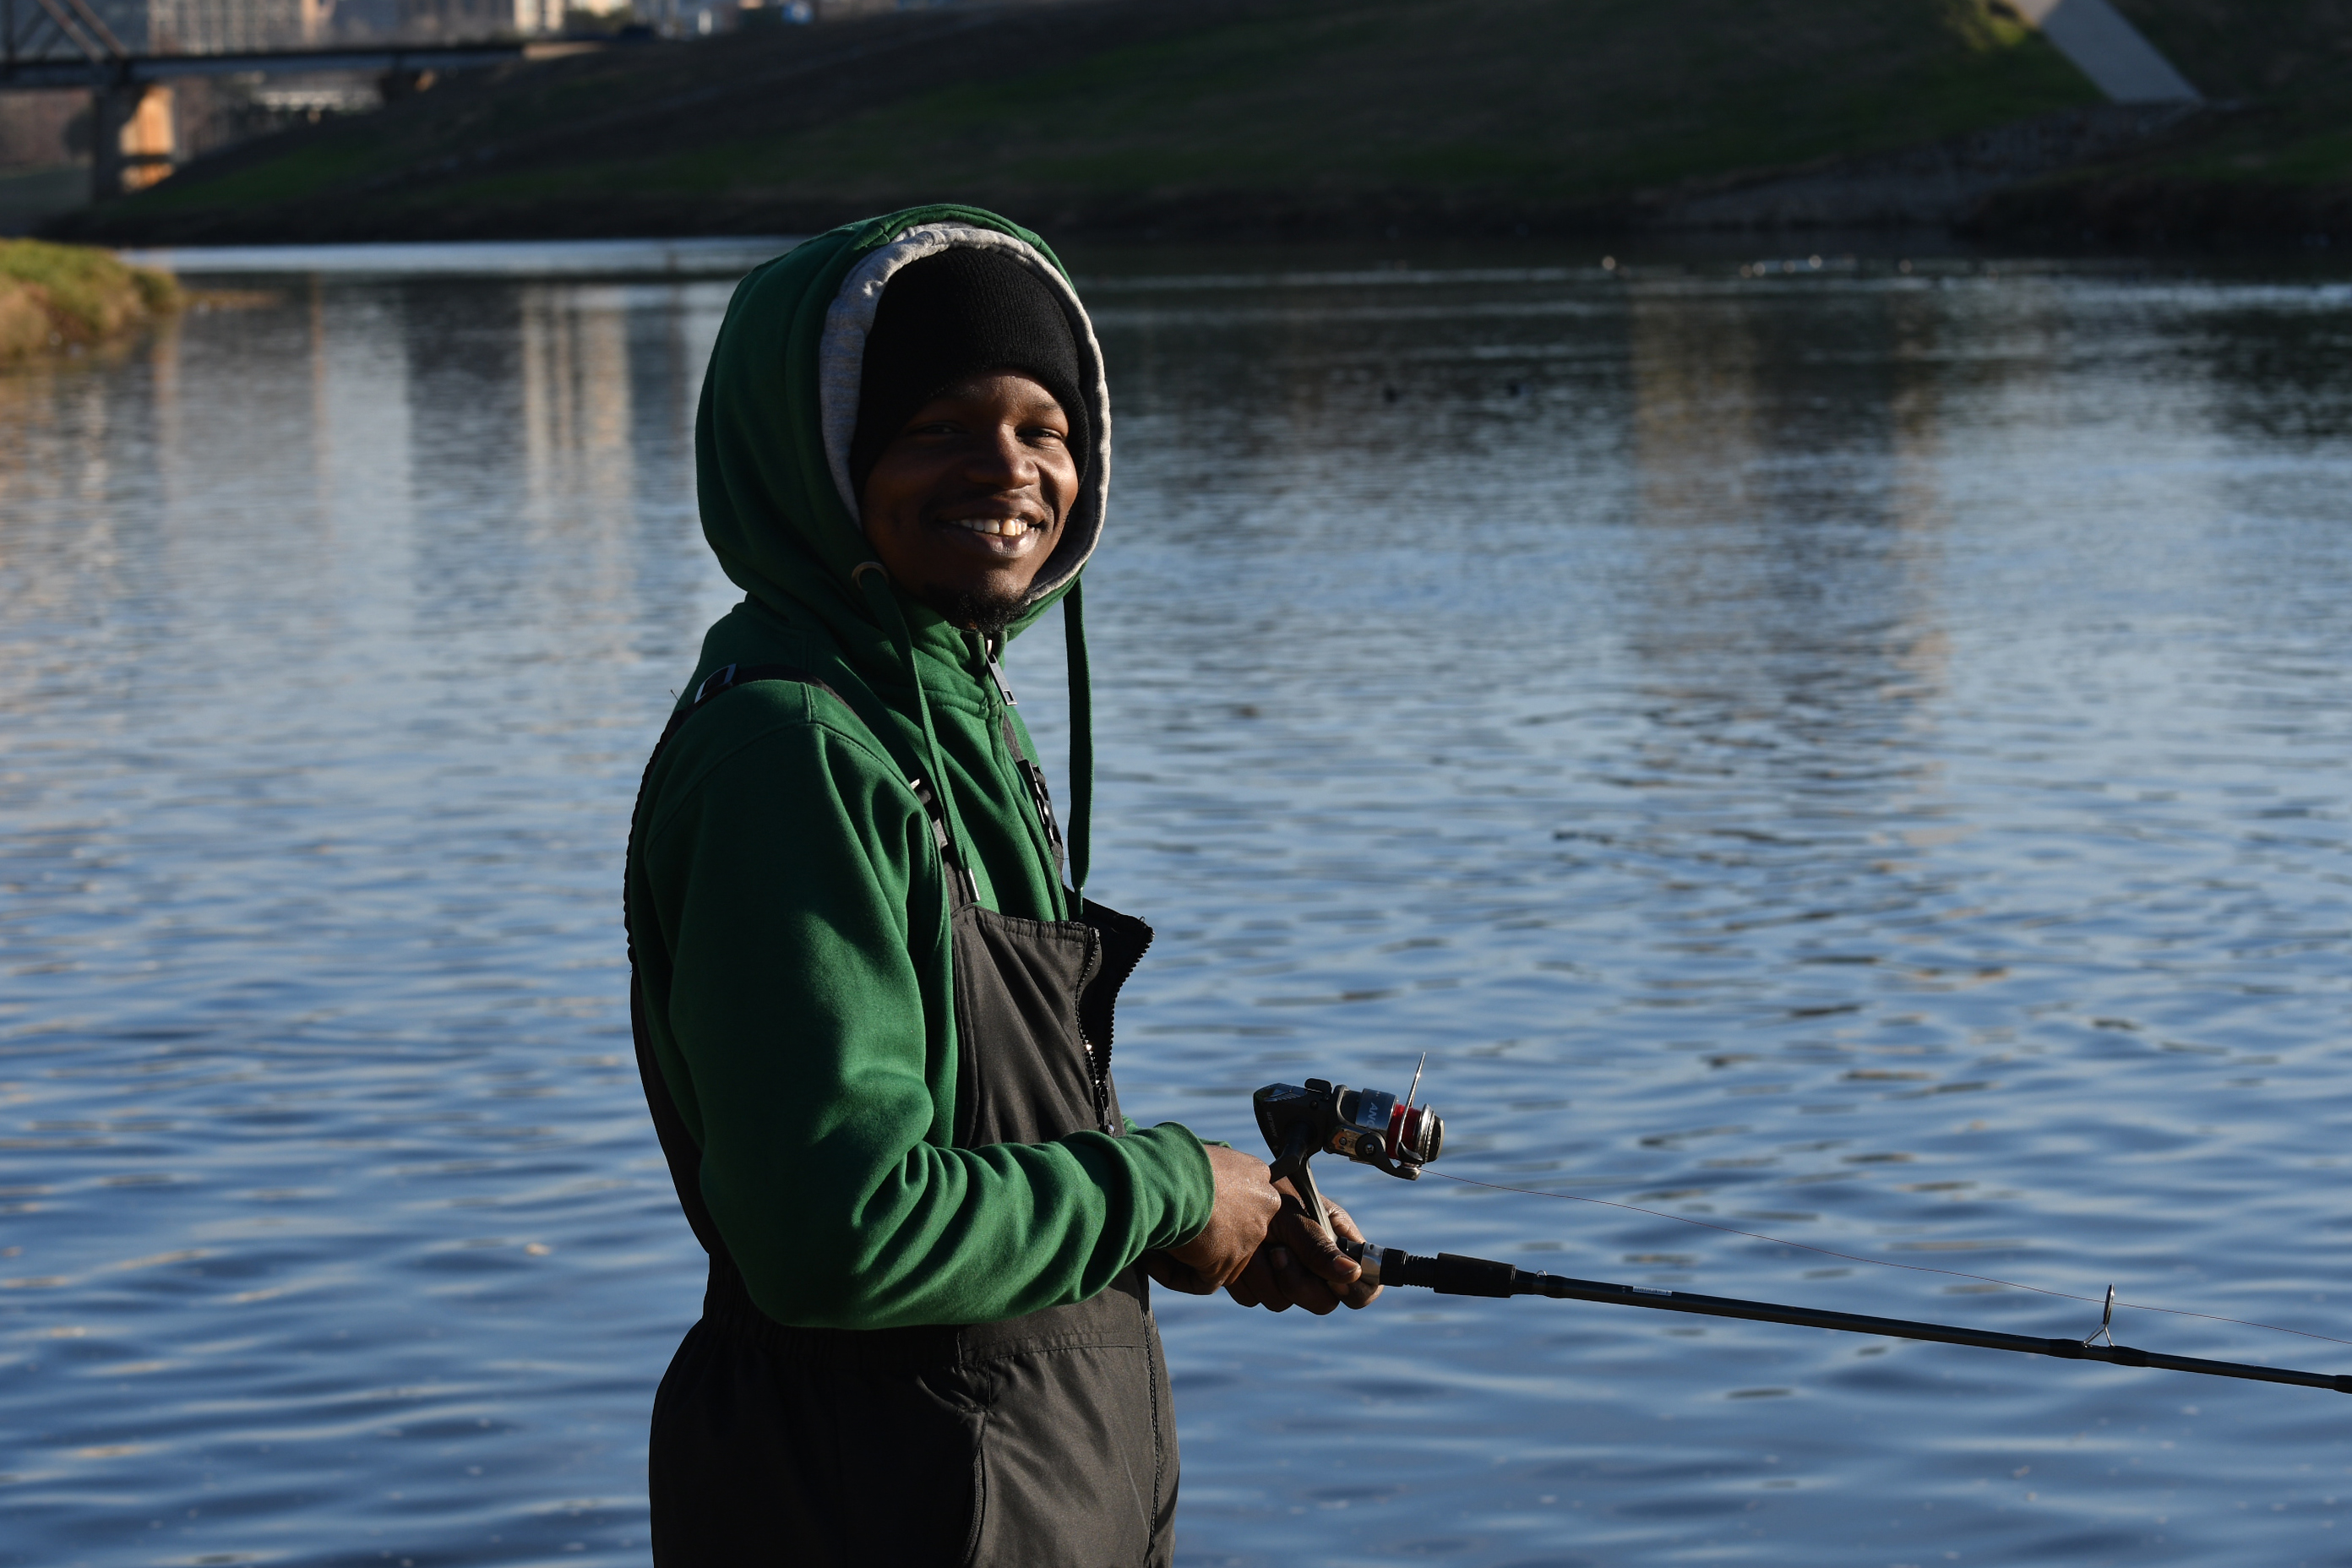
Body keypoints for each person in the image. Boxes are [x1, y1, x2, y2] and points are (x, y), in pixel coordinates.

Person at [622, 205, 1380, 1566]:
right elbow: (841, 1232)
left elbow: (987, 1139)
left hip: (1031, 1482)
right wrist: (1160, 1189)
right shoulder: (790, 751)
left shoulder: (945, 699)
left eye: (1046, 428)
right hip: (875, 1502)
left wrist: (1220, 1220)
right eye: (939, 428)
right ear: (818, 463)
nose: (1011, 469)